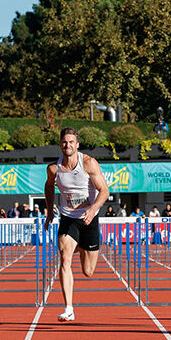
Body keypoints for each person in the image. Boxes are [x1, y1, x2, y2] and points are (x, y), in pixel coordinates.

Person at [43, 127, 109, 322]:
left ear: (77, 145)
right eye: (64, 142)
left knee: (88, 272)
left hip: (89, 218)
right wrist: (49, 211)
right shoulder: (54, 169)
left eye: (71, 142)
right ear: (60, 145)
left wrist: (93, 209)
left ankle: (81, 245)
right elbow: (48, 188)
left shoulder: (88, 164)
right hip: (68, 217)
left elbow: (104, 191)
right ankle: (69, 308)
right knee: (64, 258)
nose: (67, 145)